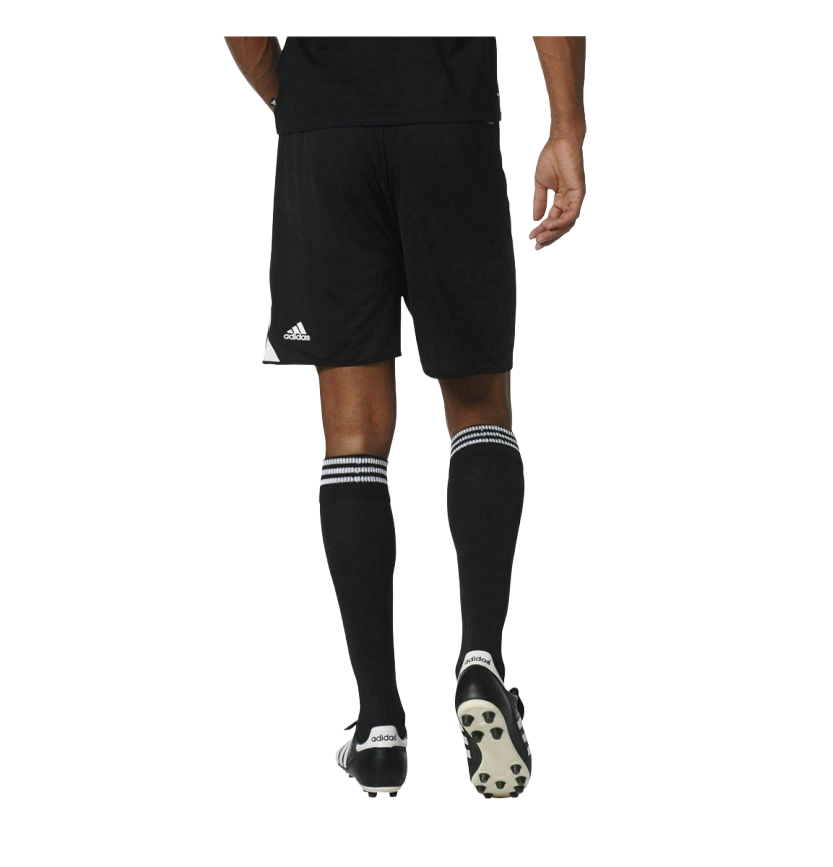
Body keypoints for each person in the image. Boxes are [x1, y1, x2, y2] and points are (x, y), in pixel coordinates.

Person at [224, 35, 586, 799]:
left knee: (351, 434)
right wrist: (566, 127)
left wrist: (297, 99)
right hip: (446, 121)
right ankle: (480, 656)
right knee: (478, 405)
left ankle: (379, 722)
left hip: (327, 133)